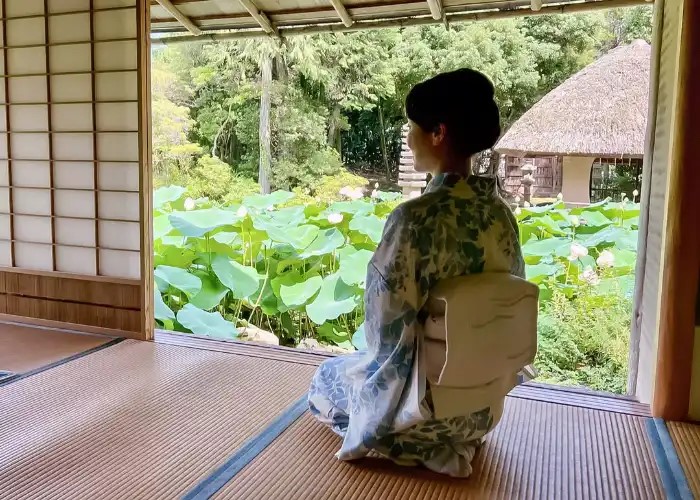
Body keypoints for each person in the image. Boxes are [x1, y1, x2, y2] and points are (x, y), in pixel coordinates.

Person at [307, 69, 526, 477]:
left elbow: (385, 333)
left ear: (438, 133)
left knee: (326, 378)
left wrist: (374, 413)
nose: (408, 139)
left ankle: (406, 443)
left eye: (412, 128)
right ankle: (451, 442)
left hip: (420, 417)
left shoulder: (413, 219)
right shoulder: (500, 214)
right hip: (481, 414)